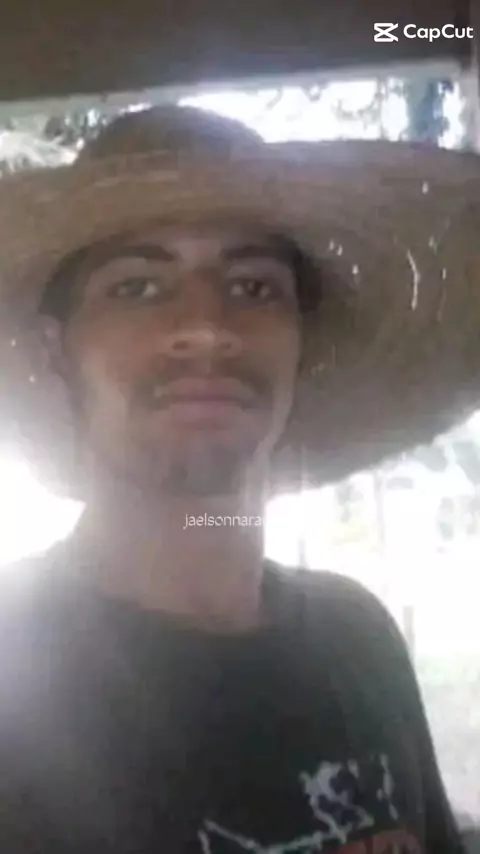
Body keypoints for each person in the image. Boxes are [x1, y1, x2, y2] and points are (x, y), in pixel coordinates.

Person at [1, 105, 478, 854]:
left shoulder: (359, 639)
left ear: (302, 344)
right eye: (138, 287)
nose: (207, 327)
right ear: (58, 352)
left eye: (254, 287)